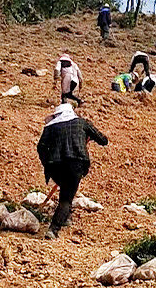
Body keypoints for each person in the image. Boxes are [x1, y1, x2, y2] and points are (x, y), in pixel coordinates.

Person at [37, 102, 107, 239]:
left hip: (54, 166)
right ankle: (53, 229)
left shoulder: (50, 127)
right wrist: (89, 135)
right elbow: (103, 140)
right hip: (76, 164)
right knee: (66, 198)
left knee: (65, 190)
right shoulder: (81, 123)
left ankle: (66, 218)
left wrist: (47, 163)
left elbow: (41, 147)